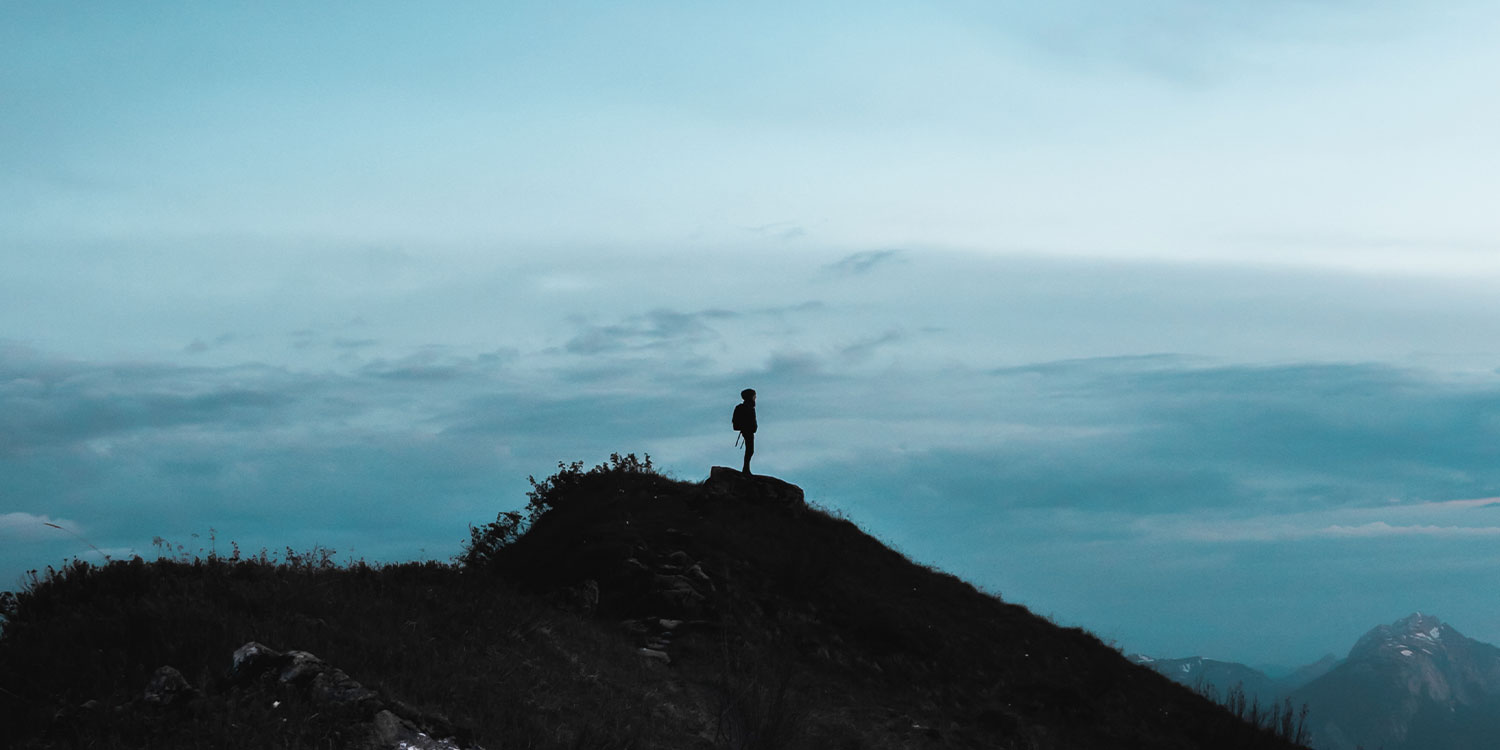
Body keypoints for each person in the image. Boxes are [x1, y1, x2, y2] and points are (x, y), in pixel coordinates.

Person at [732, 388, 757, 474]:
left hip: (747, 431)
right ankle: (746, 469)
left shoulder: (744, 407)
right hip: (748, 432)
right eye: (754, 396)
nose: (755, 397)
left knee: (750, 450)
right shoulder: (749, 408)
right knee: (750, 450)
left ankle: (746, 468)